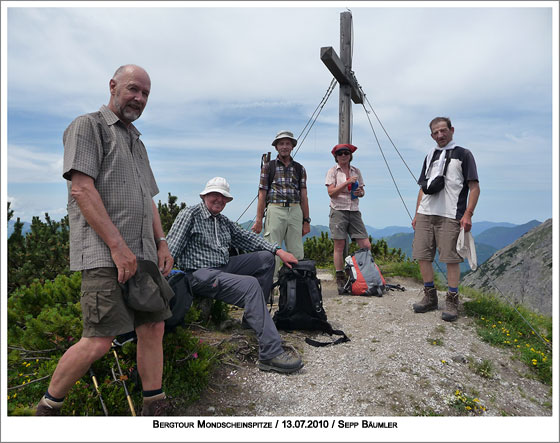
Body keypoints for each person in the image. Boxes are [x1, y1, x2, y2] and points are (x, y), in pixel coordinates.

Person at [35, 65, 173, 416]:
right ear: (112, 86)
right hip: (103, 254)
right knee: (98, 339)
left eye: (145, 93)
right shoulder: (87, 126)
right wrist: (116, 246)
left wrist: (162, 242)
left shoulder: (137, 141)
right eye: (132, 89)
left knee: (153, 326)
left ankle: (154, 406)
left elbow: (148, 198)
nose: (139, 98)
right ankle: (47, 409)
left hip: (142, 254)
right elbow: (82, 188)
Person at [166, 177, 304, 374]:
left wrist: (278, 251)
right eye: (215, 195)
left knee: (265, 258)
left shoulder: (222, 221)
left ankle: (252, 320)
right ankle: (270, 353)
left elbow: (247, 238)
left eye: (223, 197)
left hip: (222, 267)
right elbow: (171, 248)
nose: (219, 200)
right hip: (198, 274)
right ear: (205, 195)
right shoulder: (190, 214)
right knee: (249, 285)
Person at [411, 117, 480, 322]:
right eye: (435, 133)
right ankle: (430, 296)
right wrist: (417, 214)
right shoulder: (430, 155)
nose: (440, 135)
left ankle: (452, 299)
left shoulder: (463, 154)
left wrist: (468, 214)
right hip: (426, 212)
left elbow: (474, 187)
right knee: (422, 255)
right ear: (431, 135)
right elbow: (423, 188)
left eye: (443, 131)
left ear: (452, 130)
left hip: (451, 214)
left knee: (451, 258)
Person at [251, 130, 311, 287]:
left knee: (296, 250)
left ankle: (295, 288)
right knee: (272, 250)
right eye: (281, 143)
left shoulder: (300, 168)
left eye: (287, 143)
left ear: (292, 147)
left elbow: (304, 196)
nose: (284, 146)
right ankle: (268, 288)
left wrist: (306, 220)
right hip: (275, 209)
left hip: (295, 209)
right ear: (276, 147)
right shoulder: (268, 167)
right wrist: (259, 219)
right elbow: (262, 194)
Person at [325, 143, 371, 294]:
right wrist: (346, 182)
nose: (343, 155)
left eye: (346, 153)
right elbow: (331, 192)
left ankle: (364, 273)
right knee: (339, 245)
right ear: (336, 157)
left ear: (350, 155)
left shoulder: (356, 171)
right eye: (340, 153)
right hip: (338, 210)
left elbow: (362, 191)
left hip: (354, 210)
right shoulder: (332, 171)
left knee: (365, 244)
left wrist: (359, 192)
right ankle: (340, 277)